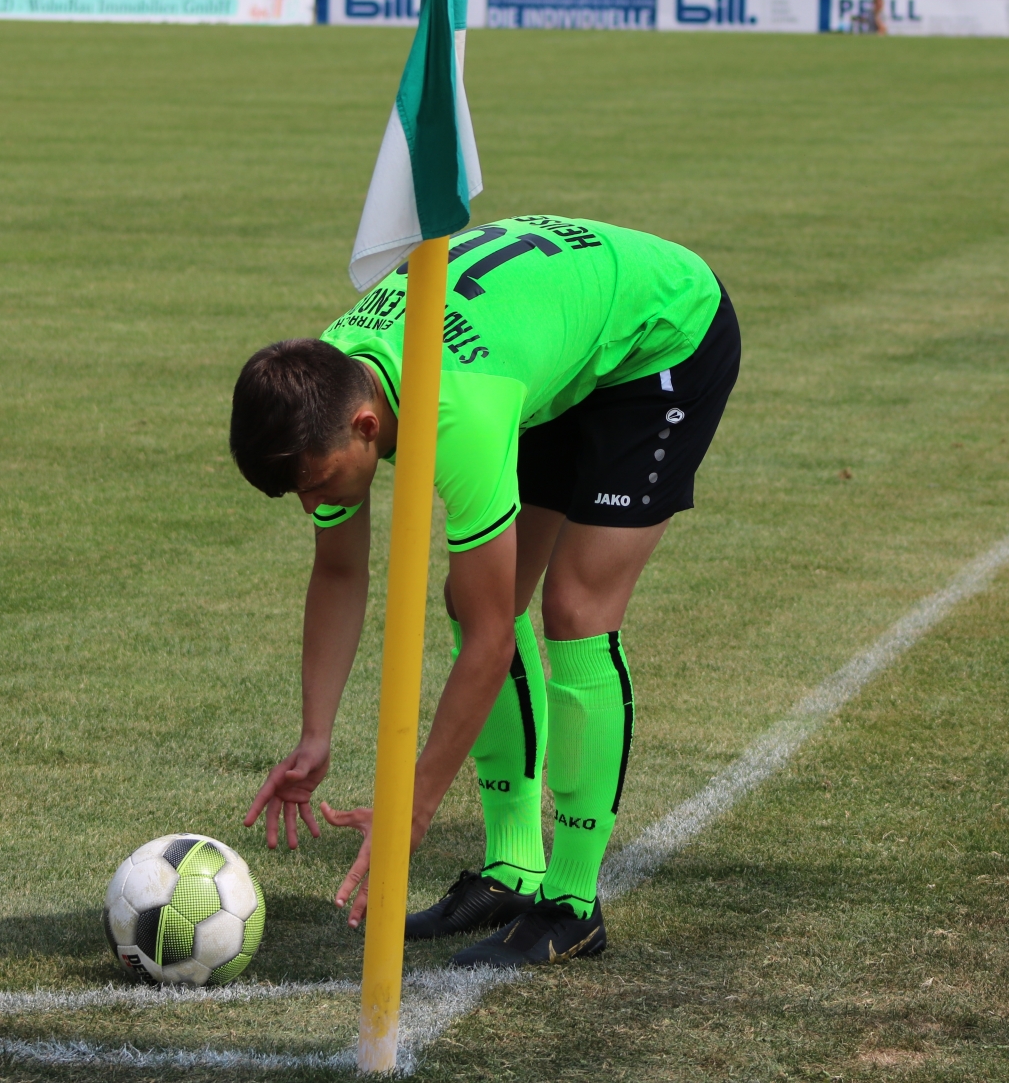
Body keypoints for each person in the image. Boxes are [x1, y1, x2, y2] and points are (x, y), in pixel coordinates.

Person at [233, 217, 740, 968]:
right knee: (472, 598)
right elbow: (339, 570)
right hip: (545, 347)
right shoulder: (327, 384)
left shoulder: (457, 414)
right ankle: (512, 870)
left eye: (315, 484)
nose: (313, 505)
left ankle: (572, 904)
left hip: (663, 332)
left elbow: (490, 643)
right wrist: (316, 737)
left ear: (367, 425)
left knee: (574, 610)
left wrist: (410, 813)